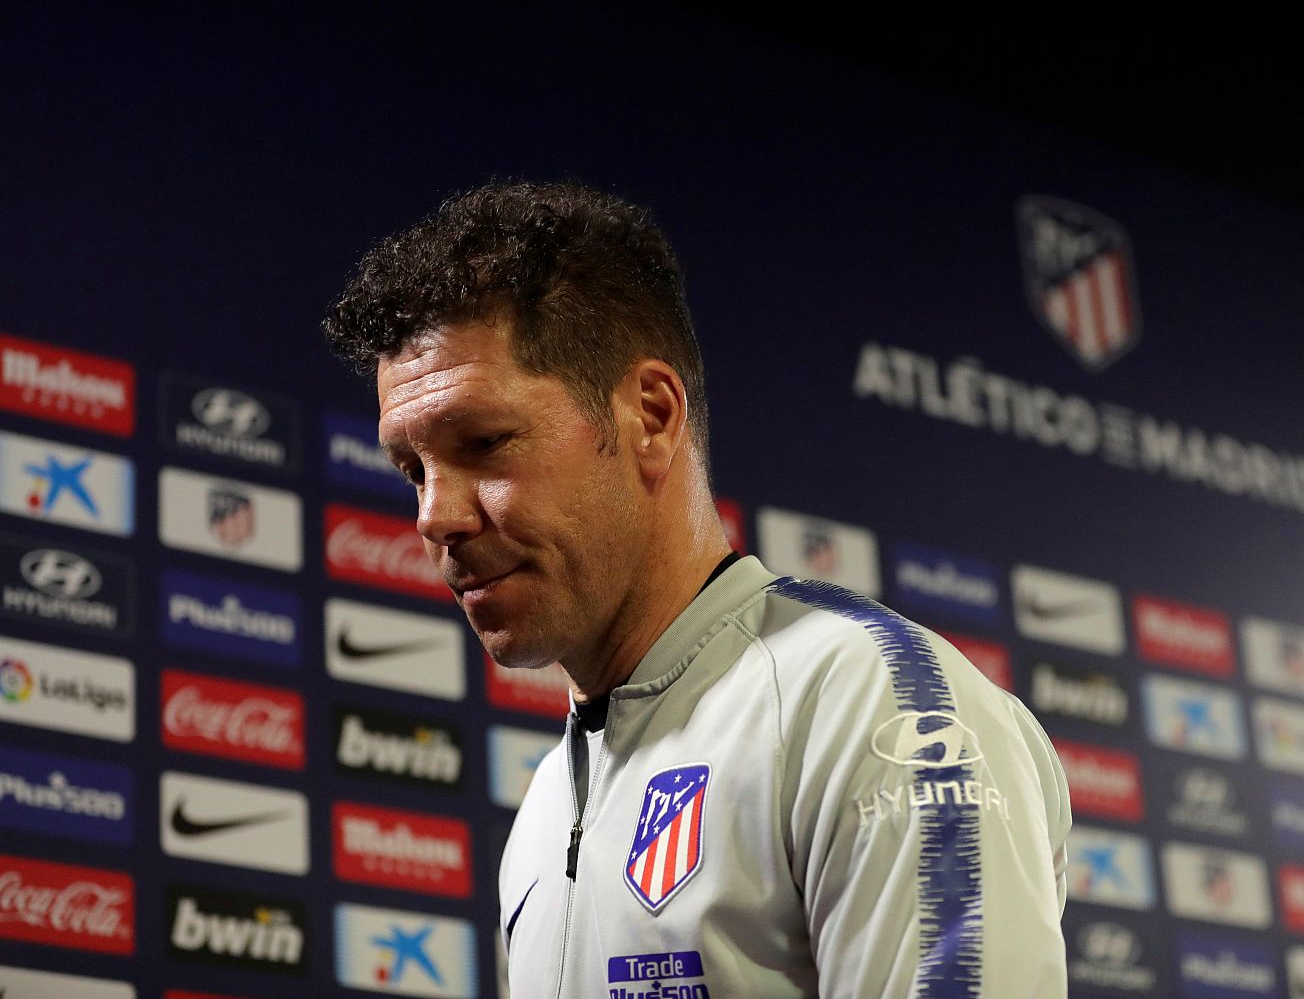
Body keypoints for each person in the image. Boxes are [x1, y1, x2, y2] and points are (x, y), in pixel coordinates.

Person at [324, 180, 1073, 997]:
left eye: (484, 441)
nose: (435, 514)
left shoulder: (876, 707)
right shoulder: (546, 804)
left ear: (649, 415)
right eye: (412, 469)